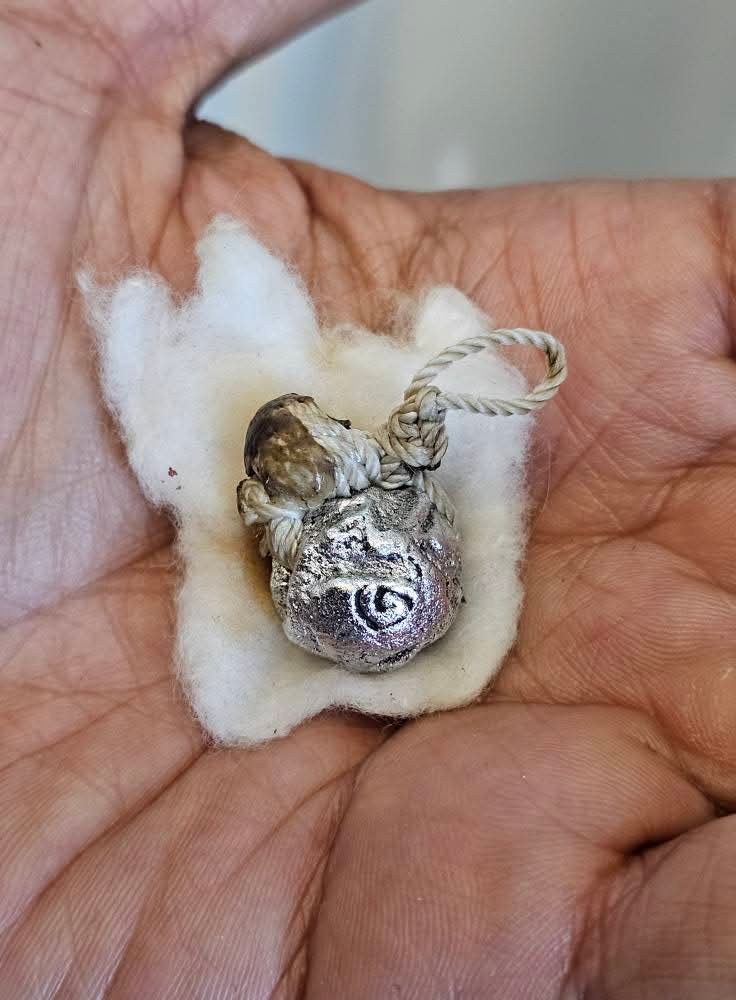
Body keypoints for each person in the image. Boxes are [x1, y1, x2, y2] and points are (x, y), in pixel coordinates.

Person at [1, 2, 735, 996]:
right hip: (366, 592)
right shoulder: (304, 512)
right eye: (319, 432)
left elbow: (386, 485)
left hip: (382, 590)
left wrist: (409, 444)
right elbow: (340, 511)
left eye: (321, 427)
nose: (332, 432)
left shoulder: (338, 493)